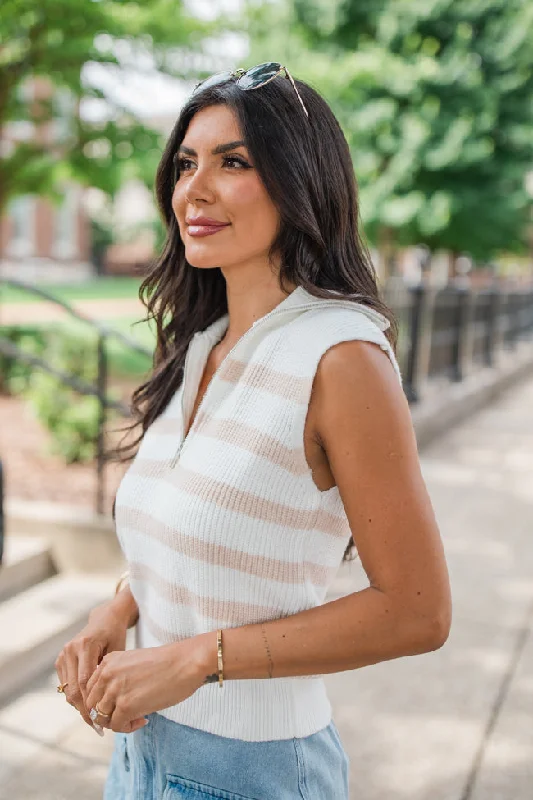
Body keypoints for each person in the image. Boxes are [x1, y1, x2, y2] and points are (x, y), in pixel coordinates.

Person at [55, 62, 451, 799]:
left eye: (232, 162)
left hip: (253, 775)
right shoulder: (202, 342)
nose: (193, 190)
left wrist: (195, 658)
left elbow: (417, 612)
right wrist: (116, 611)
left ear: (301, 182)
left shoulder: (340, 356)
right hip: (140, 757)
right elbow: (201, 532)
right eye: (184, 163)